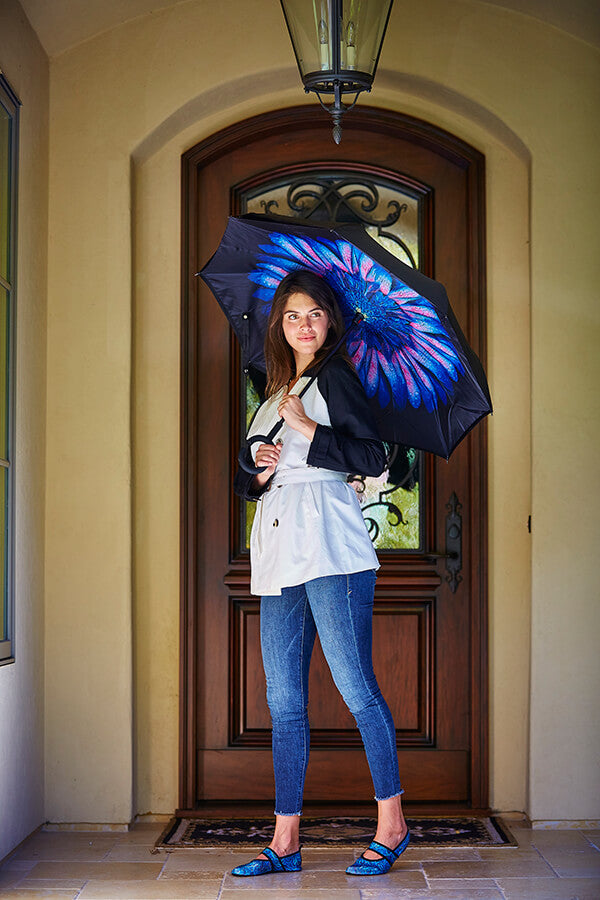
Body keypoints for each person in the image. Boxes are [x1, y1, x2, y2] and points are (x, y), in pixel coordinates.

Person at [231, 269, 410, 877]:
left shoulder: (337, 377)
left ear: (330, 321)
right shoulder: (273, 387)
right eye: (292, 316)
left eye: (313, 314)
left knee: (355, 686)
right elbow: (249, 483)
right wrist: (258, 468)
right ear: (279, 326)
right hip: (280, 548)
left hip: (331, 545)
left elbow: (373, 457)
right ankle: (285, 840)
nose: (303, 325)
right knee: (283, 698)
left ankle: (392, 823)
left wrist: (311, 431)